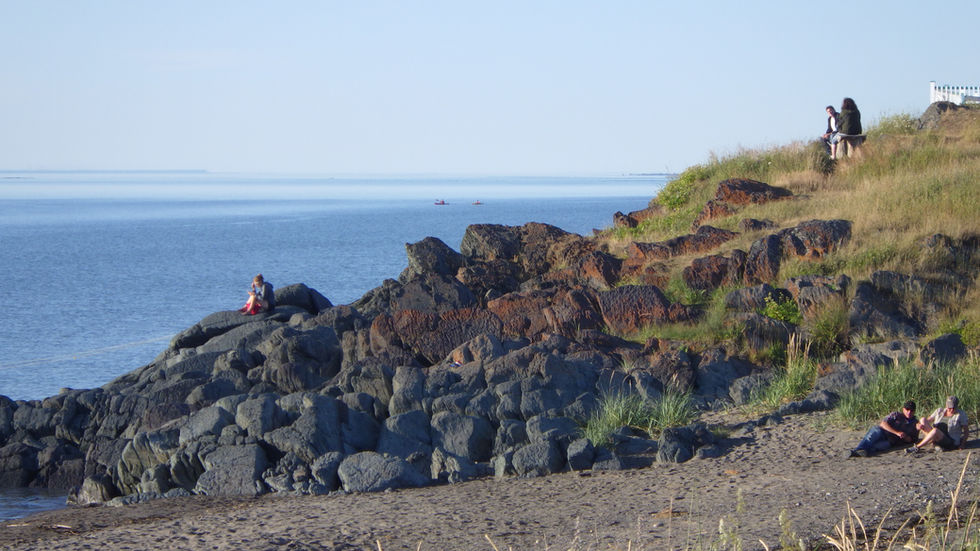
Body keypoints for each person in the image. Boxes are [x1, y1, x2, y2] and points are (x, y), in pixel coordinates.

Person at [849, 400, 918, 457]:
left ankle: (858, 453)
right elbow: (883, 423)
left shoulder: (915, 423)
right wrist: (896, 433)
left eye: (911, 410)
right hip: (882, 433)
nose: (909, 412)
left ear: (914, 411)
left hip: (890, 442)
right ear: (903, 409)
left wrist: (905, 437)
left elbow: (912, 440)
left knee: (875, 447)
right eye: (907, 409)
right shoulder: (896, 415)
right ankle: (857, 450)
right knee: (871, 436)